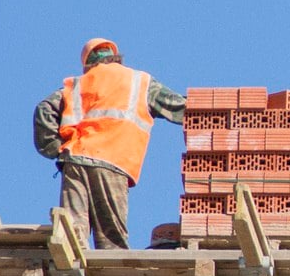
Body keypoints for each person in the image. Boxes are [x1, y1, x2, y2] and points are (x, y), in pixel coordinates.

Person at [34, 38, 186, 249]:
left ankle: (71, 275)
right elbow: (177, 106)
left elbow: (44, 108)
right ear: (116, 57)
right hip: (112, 161)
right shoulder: (138, 81)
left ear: (88, 63)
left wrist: (54, 147)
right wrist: (214, 114)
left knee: (73, 234)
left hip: (74, 160)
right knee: (111, 238)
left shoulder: (77, 84)